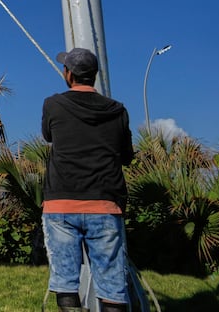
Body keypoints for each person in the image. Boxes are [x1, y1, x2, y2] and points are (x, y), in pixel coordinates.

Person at [41, 48, 134, 312]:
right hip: (105, 204)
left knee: (66, 283)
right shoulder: (118, 111)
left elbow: (48, 135)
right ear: (94, 75)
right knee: (113, 286)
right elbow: (127, 156)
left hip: (61, 205)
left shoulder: (53, 104)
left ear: (68, 74)